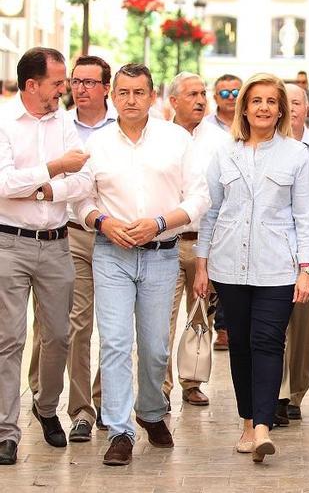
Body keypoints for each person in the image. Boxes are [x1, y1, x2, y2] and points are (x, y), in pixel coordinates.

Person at [74, 63, 210, 466]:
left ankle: (151, 411)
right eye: (123, 92)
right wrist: (103, 221)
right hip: (110, 252)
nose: (130, 100)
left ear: (153, 97)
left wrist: (159, 223)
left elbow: (199, 197)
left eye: (139, 92)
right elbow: (80, 199)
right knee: (115, 342)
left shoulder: (176, 140)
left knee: (153, 349)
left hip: (161, 255)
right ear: (112, 97)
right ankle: (120, 431)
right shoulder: (96, 144)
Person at [193, 73, 309, 463]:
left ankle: (263, 425)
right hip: (229, 267)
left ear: (281, 109)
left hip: (277, 268)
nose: (263, 107)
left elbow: (307, 216)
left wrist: (306, 269)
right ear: (244, 108)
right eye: (256, 101)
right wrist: (202, 265)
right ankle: (248, 421)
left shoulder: (297, 155)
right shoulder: (224, 153)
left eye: (271, 101)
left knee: (268, 342)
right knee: (241, 347)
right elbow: (211, 212)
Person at [0, 47, 92, 466]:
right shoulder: (3, 121)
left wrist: (44, 188)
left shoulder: (66, 124)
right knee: (9, 340)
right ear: (32, 84)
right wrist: (54, 168)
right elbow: (2, 184)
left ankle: (46, 405)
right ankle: (6, 430)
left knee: (58, 335)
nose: (65, 90)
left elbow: (85, 179)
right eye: (58, 83)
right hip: (9, 244)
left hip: (57, 243)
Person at [25, 54, 116, 443]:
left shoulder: (121, 125)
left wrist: (53, 187)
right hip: (73, 232)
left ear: (106, 88)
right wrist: (53, 186)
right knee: (74, 324)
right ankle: (79, 409)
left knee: (113, 329)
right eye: (74, 81)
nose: (78, 89)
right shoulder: (57, 123)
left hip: (117, 235)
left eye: (88, 82)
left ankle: (103, 400)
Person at [164, 72, 231, 408]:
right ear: (173, 100)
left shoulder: (221, 140)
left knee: (200, 316)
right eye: (192, 94)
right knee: (162, 318)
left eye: (203, 93)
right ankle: (160, 387)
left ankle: (192, 382)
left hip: (205, 242)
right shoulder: (159, 137)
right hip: (166, 242)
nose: (201, 100)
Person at [274, 82, 309, 425]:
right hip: (274, 250)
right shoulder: (265, 144)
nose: (290, 109)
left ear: (306, 109)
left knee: (303, 329)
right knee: (273, 325)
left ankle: (296, 392)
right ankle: (275, 392)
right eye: (284, 102)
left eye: (296, 103)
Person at [204, 73, 241, 352]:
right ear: (215, 97)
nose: (230, 98)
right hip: (214, 211)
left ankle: (227, 326)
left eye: (235, 92)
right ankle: (220, 327)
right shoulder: (206, 130)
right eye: (224, 93)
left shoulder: (252, 125)